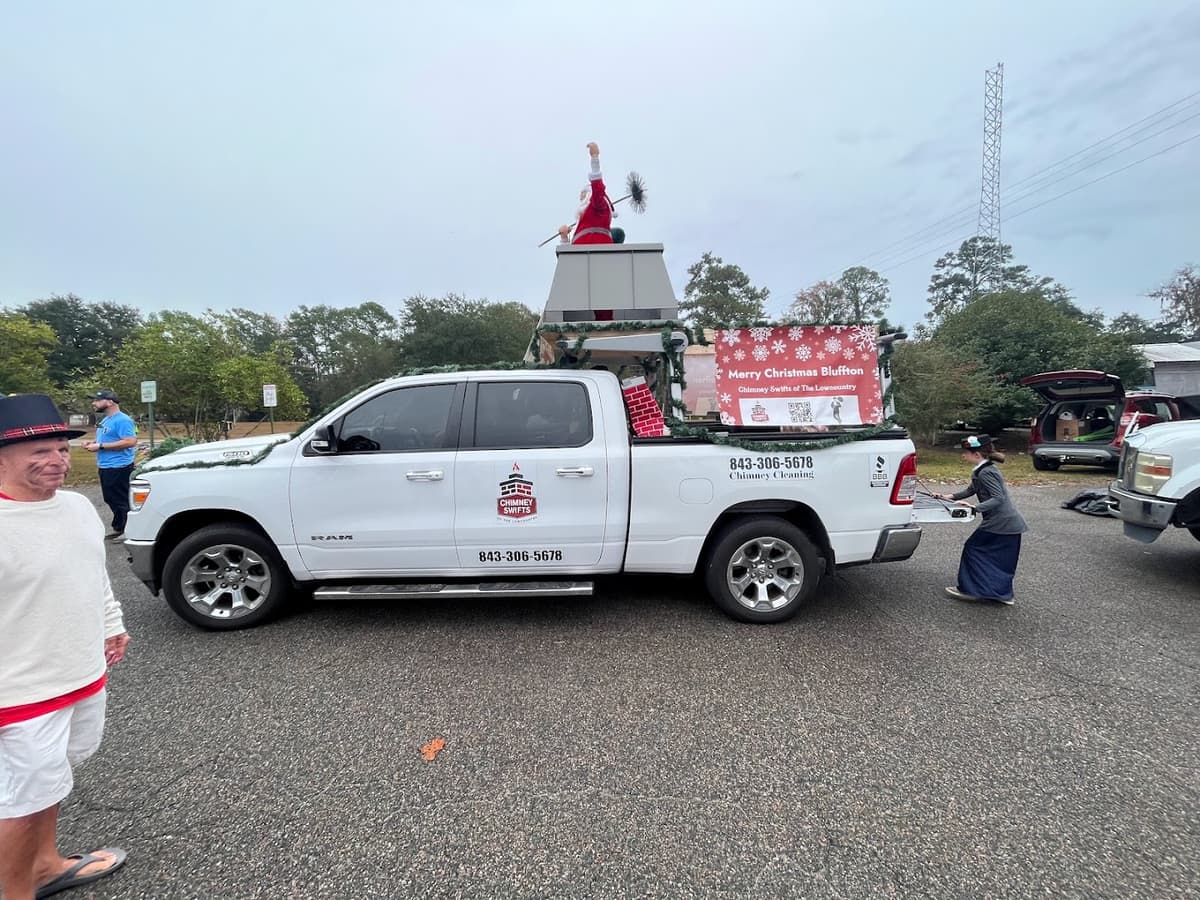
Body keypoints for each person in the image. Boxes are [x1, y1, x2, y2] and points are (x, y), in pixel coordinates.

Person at [0, 393, 131, 900]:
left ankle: (47, 866)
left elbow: (91, 574)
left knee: (51, 782)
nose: (55, 460)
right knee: (21, 802)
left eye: (59, 448)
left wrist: (111, 622)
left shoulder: (77, 507)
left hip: (80, 670)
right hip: (19, 690)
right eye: (38, 451)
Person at [933, 434, 1028, 606]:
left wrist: (974, 508)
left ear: (977, 455)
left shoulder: (986, 472)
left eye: (967, 453)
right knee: (999, 559)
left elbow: (998, 498)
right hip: (1008, 524)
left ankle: (971, 590)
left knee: (973, 549)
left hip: (1000, 523)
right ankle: (1001, 594)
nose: (964, 455)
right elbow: (971, 490)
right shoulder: (984, 469)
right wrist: (947, 496)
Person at [83, 389, 138, 540]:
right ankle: (119, 527)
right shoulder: (106, 420)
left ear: (109, 402)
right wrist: (93, 443)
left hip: (119, 467)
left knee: (121, 499)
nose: (93, 403)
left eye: (97, 400)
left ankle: (129, 531)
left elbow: (130, 441)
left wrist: (100, 446)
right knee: (110, 498)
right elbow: (107, 438)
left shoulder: (123, 420)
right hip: (106, 466)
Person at [557, 142, 617, 245]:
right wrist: (564, 238)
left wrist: (595, 159)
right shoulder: (584, 218)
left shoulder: (598, 206)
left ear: (589, 194)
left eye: (583, 193)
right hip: (582, 257)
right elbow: (570, 256)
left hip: (595, 254)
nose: (580, 197)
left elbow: (598, 190)